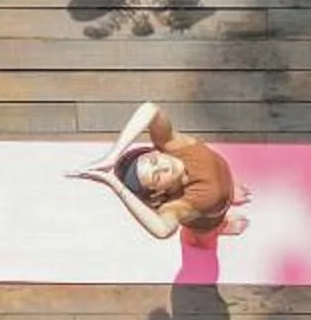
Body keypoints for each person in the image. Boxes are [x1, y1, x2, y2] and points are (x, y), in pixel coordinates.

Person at [73, 101, 249, 242]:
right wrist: (115, 185)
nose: (165, 166)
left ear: (156, 152)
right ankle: (217, 229)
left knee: (221, 179)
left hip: (223, 178)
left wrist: (113, 155)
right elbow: (163, 231)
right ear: (158, 192)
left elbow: (150, 108)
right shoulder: (178, 206)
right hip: (209, 220)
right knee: (203, 238)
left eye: (154, 160)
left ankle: (230, 192)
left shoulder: (171, 145)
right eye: (157, 177)